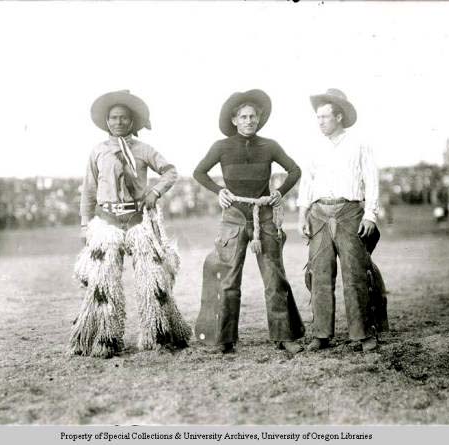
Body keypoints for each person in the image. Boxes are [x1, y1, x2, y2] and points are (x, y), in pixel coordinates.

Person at [70, 90, 191, 358]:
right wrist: (84, 224)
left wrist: (155, 192)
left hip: (138, 221)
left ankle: (159, 335)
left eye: (124, 118)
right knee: (104, 284)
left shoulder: (144, 149)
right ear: (107, 121)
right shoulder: (98, 151)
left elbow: (170, 171)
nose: (119, 122)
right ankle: (105, 338)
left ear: (132, 121)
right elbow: (89, 191)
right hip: (106, 223)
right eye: (114, 117)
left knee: (152, 280)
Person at [193, 89, 305, 354]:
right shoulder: (221, 147)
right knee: (229, 281)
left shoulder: (270, 145)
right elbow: (199, 172)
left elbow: (294, 169)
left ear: (259, 118)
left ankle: (284, 336)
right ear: (234, 120)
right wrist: (218, 191)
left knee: (274, 279)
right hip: (232, 219)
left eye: (253, 116)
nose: (248, 121)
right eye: (243, 116)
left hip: (263, 217)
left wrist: (279, 193)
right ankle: (224, 339)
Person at [297, 88, 380, 352]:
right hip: (319, 213)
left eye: (325, 116)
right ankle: (321, 334)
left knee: (355, 273)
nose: (320, 121)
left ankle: (363, 333)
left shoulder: (359, 144)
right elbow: (306, 184)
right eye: (318, 117)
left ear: (339, 116)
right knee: (319, 273)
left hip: (350, 212)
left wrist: (370, 215)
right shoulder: (313, 147)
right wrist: (302, 215)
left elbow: (372, 180)